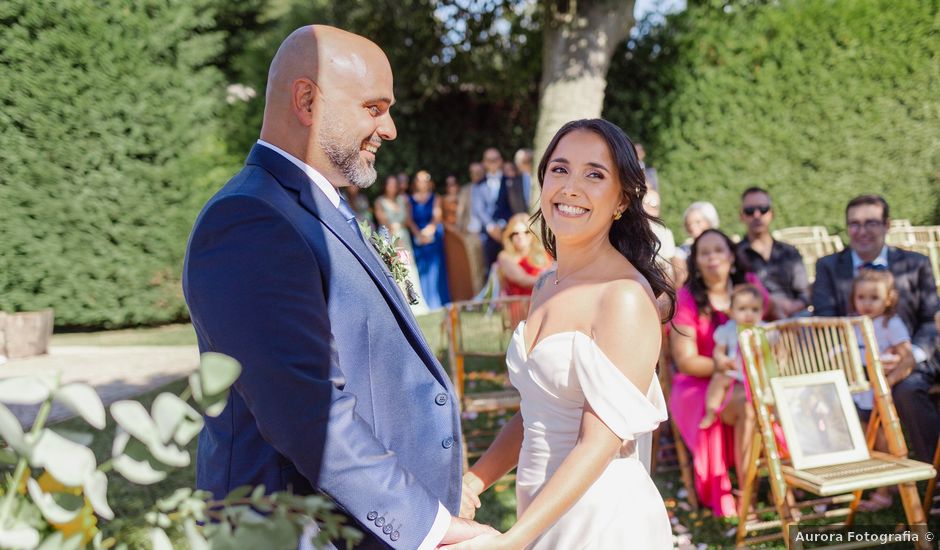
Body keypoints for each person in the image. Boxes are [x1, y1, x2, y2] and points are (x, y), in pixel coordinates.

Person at [182, 25, 495, 549]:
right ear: (306, 100)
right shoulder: (250, 219)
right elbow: (308, 412)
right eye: (375, 107)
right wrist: (429, 526)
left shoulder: (314, 206)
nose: (390, 128)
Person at [454, 119, 675, 549]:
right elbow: (535, 411)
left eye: (595, 174)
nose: (571, 187)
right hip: (539, 510)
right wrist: (474, 481)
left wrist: (513, 539)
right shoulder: (546, 284)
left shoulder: (623, 298)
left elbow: (599, 443)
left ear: (622, 200)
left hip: (599, 520)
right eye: (559, 169)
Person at [812, 194, 939, 463]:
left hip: (912, 360)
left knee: (908, 390)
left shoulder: (915, 264)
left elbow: (930, 319)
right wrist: (861, 361)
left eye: (871, 222)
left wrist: (910, 356)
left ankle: (932, 477)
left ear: (886, 225)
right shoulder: (828, 267)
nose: (862, 231)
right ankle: (861, 473)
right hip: (854, 361)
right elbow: (826, 321)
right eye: (854, 224)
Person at [669, 228, 771, 517]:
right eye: (705, 252)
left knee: (767, 397)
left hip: (748, 377)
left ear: (731, 255)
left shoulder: (748, 285)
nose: (713, 257)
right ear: (697, 262)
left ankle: (785, 478)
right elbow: (686, 360)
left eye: (719, 250)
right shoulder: (688, 298)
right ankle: (745, 491)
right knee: (749, 405)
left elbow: (770, 324)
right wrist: (724, 365)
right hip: (700, 382)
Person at [849, 268, 912, 511]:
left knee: (885, 442)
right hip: (860, 394)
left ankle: (884, 493)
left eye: (874, 298)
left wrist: (888, 383)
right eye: (861, 297)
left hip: (881, 395)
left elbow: (907, 358)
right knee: (868, 441)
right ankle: (878, 482)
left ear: (888, 299)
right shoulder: (853, 323)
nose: (866, 303)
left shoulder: (890, 324)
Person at [735, 187, 810, 318]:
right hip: (753, 319)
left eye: (763, 209)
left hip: (793, 319)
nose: (757, 215)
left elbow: (804, 293)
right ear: (741, 216)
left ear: (772, 213)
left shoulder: (789, 252)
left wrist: (790, 308)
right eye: (750, 211)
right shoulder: (734, 255)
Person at [700, 284, 764, 428]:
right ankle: (711, 410)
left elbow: (778, 349)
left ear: (762, 312)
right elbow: (719, 350)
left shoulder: (764, 330)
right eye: (742, 309)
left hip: (758, 373)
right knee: (718, 379)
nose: (749, 314)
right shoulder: (729, 329)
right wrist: (722, 359)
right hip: (735, 371)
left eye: (755, 310)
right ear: (731, 312)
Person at [375, 174, 427, 312]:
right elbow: (383, 221)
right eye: (389, 185)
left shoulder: (403, 200)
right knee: (396, 268)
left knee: (408, 267)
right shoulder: (380, 201)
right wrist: (394, 237)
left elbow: (408, 220)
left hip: (404, 237)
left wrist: (416, 234)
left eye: (394, 185)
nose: (392, 187)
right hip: (389, 238)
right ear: (385, 186)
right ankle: (403, 305)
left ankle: (415, 301)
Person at [468, 148, 527, 271]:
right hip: (489, 235)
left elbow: (516, 206)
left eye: (495, 159)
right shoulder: (478, 185)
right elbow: (479, 209)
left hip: (509, 231)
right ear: (484, 163)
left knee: (515, 266)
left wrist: (505, 225)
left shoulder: (511, 181)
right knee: (492, 268)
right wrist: (490, 226)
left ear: (500, 161)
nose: (493, 163)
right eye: (489, 160)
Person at [409, 170, 451, 309]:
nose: (423, 183)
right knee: (422, 269)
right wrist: (418, 234)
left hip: (433, 236)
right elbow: (409, 220)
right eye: (420, 180)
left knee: (436, 268)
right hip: (418, 237)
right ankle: (427, 302)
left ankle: (440, 301)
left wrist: (429, 230)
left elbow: (437, 217)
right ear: (415, 182)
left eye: (426, 180)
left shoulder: (435, 197)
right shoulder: (409, 199)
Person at [497, 213, 550, 297]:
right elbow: (523, 281)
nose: (521, 236)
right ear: (509, 236)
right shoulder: (505, 257)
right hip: (521, 307)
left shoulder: (545, 253)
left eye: (526, 232)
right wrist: (552, 280)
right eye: (515, 233)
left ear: (532, 233)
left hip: (544, 301)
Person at [674, 201, 721, 286]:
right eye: (688, 224)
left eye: (698, 222)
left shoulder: (722, 246)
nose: (692, 227)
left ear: (710, 222)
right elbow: (680, 281)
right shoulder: (682, 252)